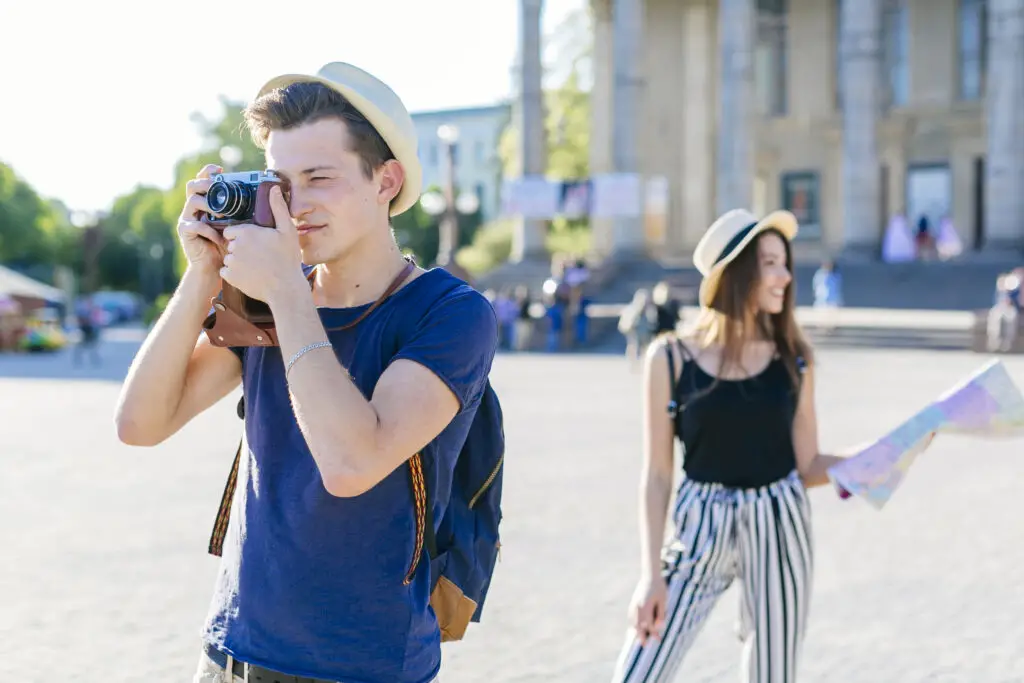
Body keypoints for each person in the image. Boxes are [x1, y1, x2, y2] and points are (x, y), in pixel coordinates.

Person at [114, 62, 498, 683]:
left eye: (320, 178)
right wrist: (203, 274)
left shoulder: (449, 314)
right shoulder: (262, 298)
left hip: (361, 663)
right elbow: (140, 423)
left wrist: (287, 294)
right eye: (280, 185)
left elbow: (352, 464)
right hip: (231, 649)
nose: (295, 207)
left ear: (386, 180)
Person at [611, 209, 846, 683]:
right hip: (700, 523)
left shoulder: (794, 360)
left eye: (785, 264)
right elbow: (657, 474)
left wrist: (879, 457)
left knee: (772, 675)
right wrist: (650, 573)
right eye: (771, 263)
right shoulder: (670, 358)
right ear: (737, 272)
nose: (784, 276)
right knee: (637, 674)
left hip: (779, 520)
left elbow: (808, 464)